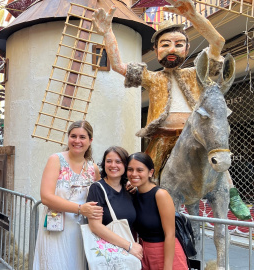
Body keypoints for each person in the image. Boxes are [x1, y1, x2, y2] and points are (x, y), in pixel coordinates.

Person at [92, 0, 249, 219]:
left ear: (186, 48)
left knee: (216, 150)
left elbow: (217, 42)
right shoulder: (152, 77)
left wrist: (194, 16)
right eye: (165, 44)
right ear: (155, 50)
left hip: (195, 134)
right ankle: (147, 212)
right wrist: (108, 32)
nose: (171, 49)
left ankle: (231, 193)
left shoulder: (196, 73)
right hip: (162, 138)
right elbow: (119, 66)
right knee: (147, 177)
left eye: (177, 44)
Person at [33, 120, 103, 270]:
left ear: (90, 140)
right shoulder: (56, 160)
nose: (77, 141)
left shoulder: (93, 168)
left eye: (82, 137)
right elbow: (46, 197)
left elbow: (105, 191)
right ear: (68, 137)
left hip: (80, 231)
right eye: (73, 136)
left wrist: (129, 186)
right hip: (54, 229)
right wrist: (80, 208)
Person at [127, 152, 188, 269]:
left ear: (150, 172)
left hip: (166, 254)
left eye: (140, 170)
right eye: (130, 169)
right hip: (144, 253)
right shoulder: (134, 194)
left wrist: (168, 267)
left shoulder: (160, 194)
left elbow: (170, 234)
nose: (134, 174)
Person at [86, 146, 143, 261]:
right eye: (109, 161)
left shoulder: (129, 190)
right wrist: (129, 246)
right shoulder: (97, 189)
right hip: (107, 257)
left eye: (118, 162)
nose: (113, 165)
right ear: (104, 164)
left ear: (126, 165)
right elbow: (95, 226)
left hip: (129, 256)